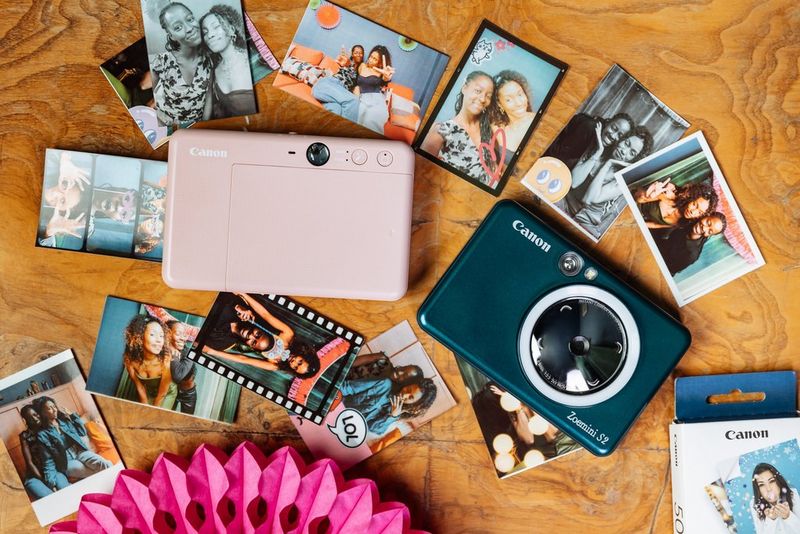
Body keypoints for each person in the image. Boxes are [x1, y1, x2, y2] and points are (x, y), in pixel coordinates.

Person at [559, 127, 653, 237]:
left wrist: (608, 164)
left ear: (633, 160)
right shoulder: (599, 150)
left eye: (632, 153)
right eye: (626, 143)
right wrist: (598, 153)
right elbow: (573, 182)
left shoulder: (623, 180)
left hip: (582, 220)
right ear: (621, 139)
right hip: (564, 201)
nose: (624, 151)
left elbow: (588, 199)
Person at [201, 293, 321, 379]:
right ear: (305, 355)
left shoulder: (275, 365)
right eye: (300, 362)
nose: (294, 363)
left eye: (295, 367)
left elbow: (244, 359)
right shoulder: (288, 335)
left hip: (239, 337)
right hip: (246, 318)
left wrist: (212, 352)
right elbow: (265, 314)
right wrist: (242, 293)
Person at [419, 70, 496, 185]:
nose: (483, 99)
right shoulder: (442, 131)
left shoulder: (487, 130)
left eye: (488, 96)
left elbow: (492, 168)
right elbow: (420, 172)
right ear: (464, 88)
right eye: (478, 91)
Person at [151, 2, 213, 125]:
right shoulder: (161, 61)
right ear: (172, 36)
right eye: (178, 27)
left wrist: (204, 126)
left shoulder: (209, 60)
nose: (190, 28)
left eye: (190, 19)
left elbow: (208, 97)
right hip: (168, 125)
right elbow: (148, 98)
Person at [34, 397, 112, 487]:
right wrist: (51, 482)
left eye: (54, 406)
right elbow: (47, 460)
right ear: (43, 413)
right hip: (66, 460)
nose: (54, 410)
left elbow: (82, 432)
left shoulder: (64, 421)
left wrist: (73, 416)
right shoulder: (42, 434)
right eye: (49, 408)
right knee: (85, 469)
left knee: (102, 463)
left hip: (79, 451)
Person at [200, 5, 256, 119]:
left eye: (216, 27)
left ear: (231, 29)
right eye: (205, 32)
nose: (210, 35)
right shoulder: (213, 71)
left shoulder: (253, 61)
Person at [341, 376, 437, 436]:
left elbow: (373, 429)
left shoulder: (397, 414)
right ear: (408, 383)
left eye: (411, 398)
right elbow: (347, 387)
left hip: (348, 429)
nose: (404, 395)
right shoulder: (384, 384)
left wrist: (392, 416)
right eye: (408, 389)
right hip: (340, 408)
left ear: (414, 404)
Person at [543, 112, 634, 169]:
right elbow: (557, 154)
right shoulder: (590, 128)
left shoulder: (607, 148)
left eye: (620, 135)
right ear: (608, 122)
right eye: (614, 128)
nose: (613, 136)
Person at [123, 315, 178, 409]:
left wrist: (152, 410)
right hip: (148, 392)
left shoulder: (166, 360)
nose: (159, 340)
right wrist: (145, 406)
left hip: (166, 393)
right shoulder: (129, 360)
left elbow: (162, 394)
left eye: (161, 336)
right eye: (152, 334)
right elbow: (139, 387)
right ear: (139, 337)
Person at [651, 212, 727, 275]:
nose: (704, 228)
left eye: (710, 231)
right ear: (707, 215)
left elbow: (668, 272)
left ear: (709, 235)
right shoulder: (690, 217)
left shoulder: (691, 254)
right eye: (708, 222)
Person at [19, 404, 68, 500]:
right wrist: (45, 481)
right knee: (49, 498)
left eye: (35, 414)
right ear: (25, 420)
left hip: (53, 471)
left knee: (65, 491)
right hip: (34, 476)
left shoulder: (48, 429)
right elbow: (29, 462)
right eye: (30, 418)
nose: (34, 418)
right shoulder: (24, 436)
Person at [488, 70, 536, 162]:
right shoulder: (497, 129)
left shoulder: (539, 120)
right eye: (508, 100)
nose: (518, 103)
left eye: (520, 94)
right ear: (499, 104)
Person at [634, 178, 718, 228]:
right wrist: (656, 196)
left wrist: (637, 225)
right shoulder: (670, 193)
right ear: (690, 198)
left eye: (700, 212)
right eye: (695, 205)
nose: (693, 212)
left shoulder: (682, 223)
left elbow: (655, 225)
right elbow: (639, 198)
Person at [311, 44, 364, 122]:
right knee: (354, 101)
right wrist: (344, 64)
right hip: (329, 84)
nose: (359, 55)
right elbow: (345, 63)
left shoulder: (360, 72)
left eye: (361, 53)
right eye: (356, 52)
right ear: (352, 54)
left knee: (337, 109)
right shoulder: (347, 63)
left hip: (335, 96)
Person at [354, 45, 395, 133]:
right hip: (362, 98)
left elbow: (385, 80)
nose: (370, 59)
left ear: (379, 63)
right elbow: (355, 81)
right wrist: (356, 89)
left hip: (376, 100)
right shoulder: (362, 66)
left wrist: (387, 78)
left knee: (371, 122)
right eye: (371, 56)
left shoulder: (381, 73)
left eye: (375, 59)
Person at [751, 463, 800, 534]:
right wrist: (771, 520)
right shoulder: (756, 504)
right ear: (758, 489)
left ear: (778, 481)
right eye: (761, 485)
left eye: (771, 481)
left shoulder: (792, 495)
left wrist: (788, 517)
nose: (768, 489)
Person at [165, 320, 198, 414]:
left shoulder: (188, 352)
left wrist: (174, 351)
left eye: (184, 334)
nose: (182, 338)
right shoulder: (162, 349)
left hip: (188, 395)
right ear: (168, 334)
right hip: (169, 392)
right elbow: (177, 375)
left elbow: (179, 375)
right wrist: (171, 349)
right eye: (178, 333)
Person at [346, 351, 423, 385]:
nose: (400, 372)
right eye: (403, 368)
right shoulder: (382, 360)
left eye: (405, 375)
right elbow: (350, 362)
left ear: (406, 383)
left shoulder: (384, 391)